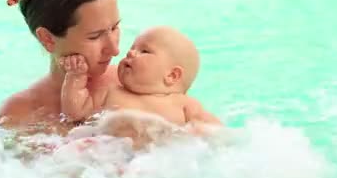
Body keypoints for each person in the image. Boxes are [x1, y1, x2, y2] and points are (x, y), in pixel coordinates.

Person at [0, 0, 122, 135]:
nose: (114, 49)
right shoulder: (19, 114)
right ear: (47, 39)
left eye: (115, 28)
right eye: (95, 36)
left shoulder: (132, 82)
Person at [59, 26, 222, 147]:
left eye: (144, 51)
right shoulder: (111, 91)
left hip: (158, 160)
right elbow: (74, 113)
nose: (130, 53)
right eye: (131, 49)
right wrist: (75, 77)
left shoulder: (185, 104)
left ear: (172, 76)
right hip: (111, 154)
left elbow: (217, 134)